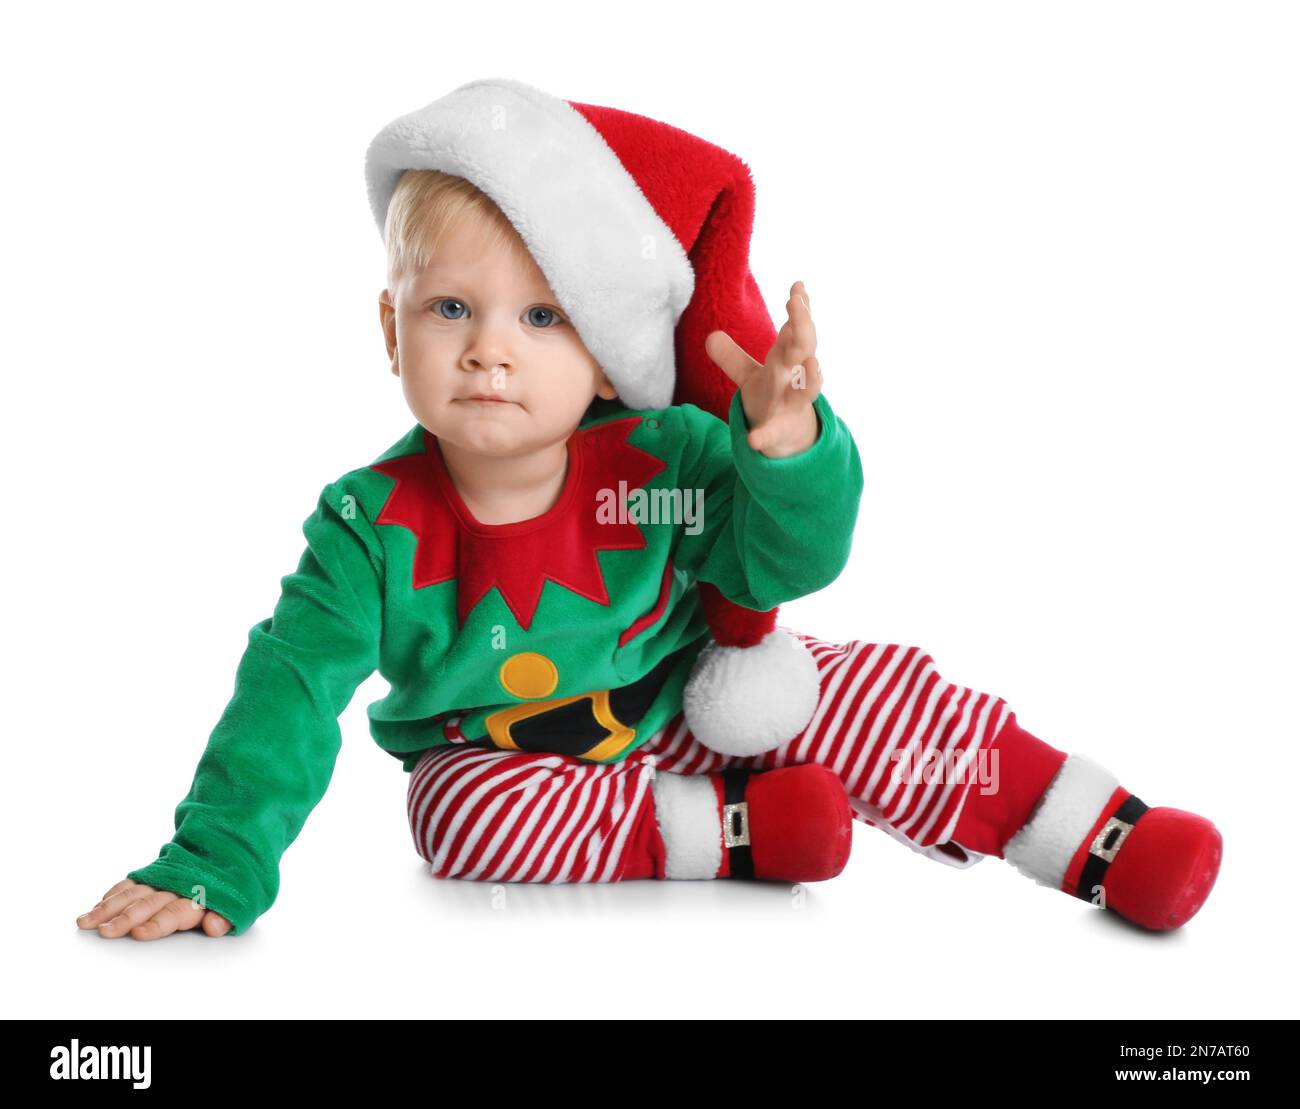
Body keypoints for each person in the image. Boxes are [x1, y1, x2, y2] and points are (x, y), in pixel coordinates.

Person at [76, 78, 1222, 941]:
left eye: (540, 320)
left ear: (610, 355)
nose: (486, 351)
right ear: (390, 331)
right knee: (458, 820)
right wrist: (213, 862)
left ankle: (1092, 831)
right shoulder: (370, 529)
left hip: (688, 695)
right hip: (510, 761)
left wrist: (784, 451)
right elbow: (288, 689)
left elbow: (791, 557)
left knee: (865, 690)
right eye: (452, 309)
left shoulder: (662, 463)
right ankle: (731, 832)